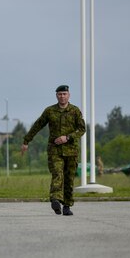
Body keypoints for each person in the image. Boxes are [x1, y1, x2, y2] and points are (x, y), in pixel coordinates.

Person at [21, 85, 86, 216]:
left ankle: (67, 206)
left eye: (64, 94)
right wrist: (26, 141)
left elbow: (82, 129)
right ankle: (55, 199)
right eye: (60, 94)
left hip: (71, 151)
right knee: (57, 173)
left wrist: (67, 137)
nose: (62, 96)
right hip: (54, 150)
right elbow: (38, 125)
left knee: (69, 178)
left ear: (69, 95)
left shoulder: (75, 111)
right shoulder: (50, 111)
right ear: (56, 96)